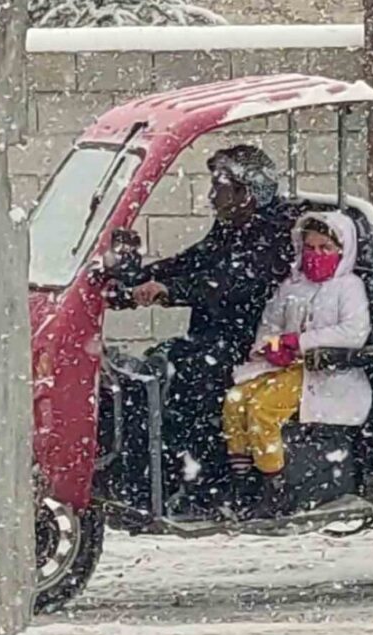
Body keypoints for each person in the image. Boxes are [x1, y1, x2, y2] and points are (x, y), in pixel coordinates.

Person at [126, 145, 297, 503]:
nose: (210, 197)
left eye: (219, 188)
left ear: (246, 193)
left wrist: (169, 290)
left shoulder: (275, 232)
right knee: (156, 369)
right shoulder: (230, 228)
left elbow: (232, 281)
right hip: (215, 336)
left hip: (251, 343)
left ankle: (214, 485)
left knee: (195, 382)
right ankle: (156, 474)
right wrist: (138, 278)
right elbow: (193, 261)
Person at [222, 210, 373, 519]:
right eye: (310, 248)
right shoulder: (292, 286)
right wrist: (272, 345)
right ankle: (242, 481)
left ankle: (273, 485)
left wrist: (302, 342)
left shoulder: (348, 287)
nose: (316, 255)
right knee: (235, 401)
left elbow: (354, 332)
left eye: (325, 249)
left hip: (321, 374)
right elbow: (270, 323)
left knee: (263, 409)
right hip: (284, 367)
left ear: (341, 252)